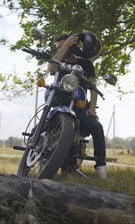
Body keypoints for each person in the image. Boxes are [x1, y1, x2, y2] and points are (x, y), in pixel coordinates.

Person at [49, 33, 107, 179]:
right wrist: (66, 45)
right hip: (60, 105)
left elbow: (93, 86)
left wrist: (92, 108)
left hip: (80, 106)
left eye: (64, 45)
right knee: (44, 127)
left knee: (97, 127)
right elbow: (50, 68)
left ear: (73, 45)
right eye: (58, 47)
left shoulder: (86, 64)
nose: (61, 48)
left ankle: (101, 169)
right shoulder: (58, 61)